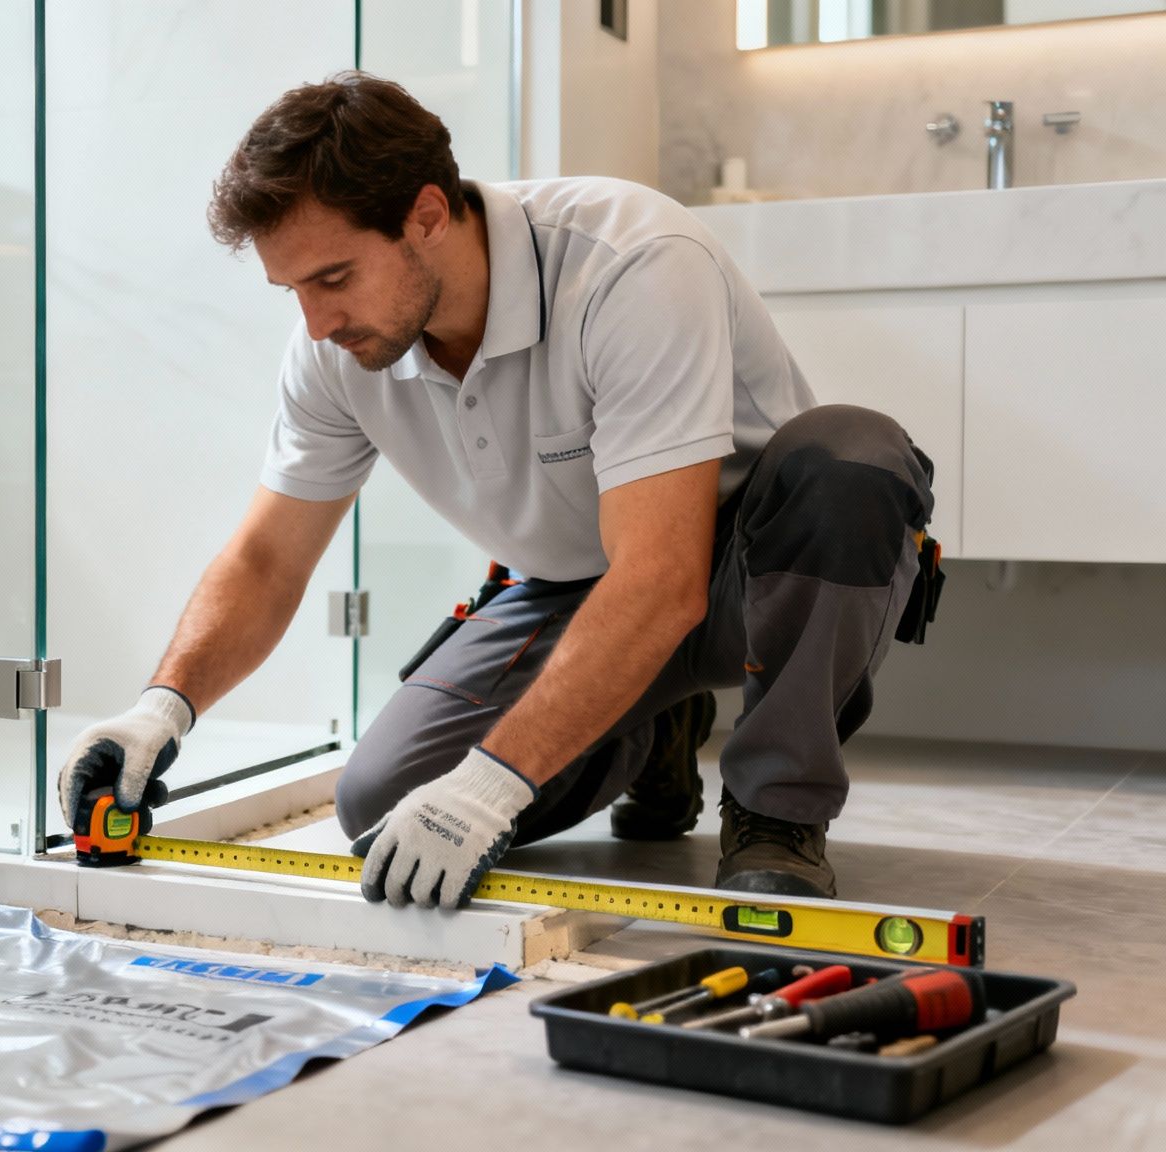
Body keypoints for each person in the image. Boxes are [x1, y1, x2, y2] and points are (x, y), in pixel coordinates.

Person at [57, 73, 939, 909]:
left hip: (753, 573)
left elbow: (664, 578)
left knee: (852, 457)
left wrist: (492, 785)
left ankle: (776, 811)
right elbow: (265, 560)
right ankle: (649, 732)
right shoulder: (334, 351)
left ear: (427, 215)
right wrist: (160, 710)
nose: (317, 323)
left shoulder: (632, 263)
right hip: (574, 591)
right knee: (385, 805)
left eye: (333, 278)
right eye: (292, 290)